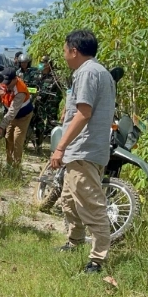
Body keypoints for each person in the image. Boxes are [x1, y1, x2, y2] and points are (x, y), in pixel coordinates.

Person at [50, 30, 115, 274]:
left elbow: (84, 113)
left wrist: (60, 147)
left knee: (91, 206)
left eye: (65, 50)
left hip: (84, 150)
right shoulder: (99, 71)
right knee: (69, 200)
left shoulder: (87, 72)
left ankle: (97, 260)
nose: (64, 55)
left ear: (74, 50)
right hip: (84, 151)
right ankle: (74, 242)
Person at [0, 67, 33, 167]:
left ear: (15, 79)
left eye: (8, 82)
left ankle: (16, 166)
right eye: (4, 82)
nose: (6, 85)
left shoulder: (20, 90)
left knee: (17, 140)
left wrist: (1, 127)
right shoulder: (4, 82)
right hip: (11, 117)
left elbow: (12, 111)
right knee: (8, 137)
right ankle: (9, 164)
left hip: (23, 116)